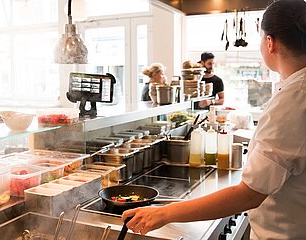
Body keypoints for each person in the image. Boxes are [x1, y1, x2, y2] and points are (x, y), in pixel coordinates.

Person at [122, 0, 306, 239]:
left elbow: (250, 193)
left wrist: (165, 213)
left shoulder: (295, 98)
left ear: (269, 42)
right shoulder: (295, 89)